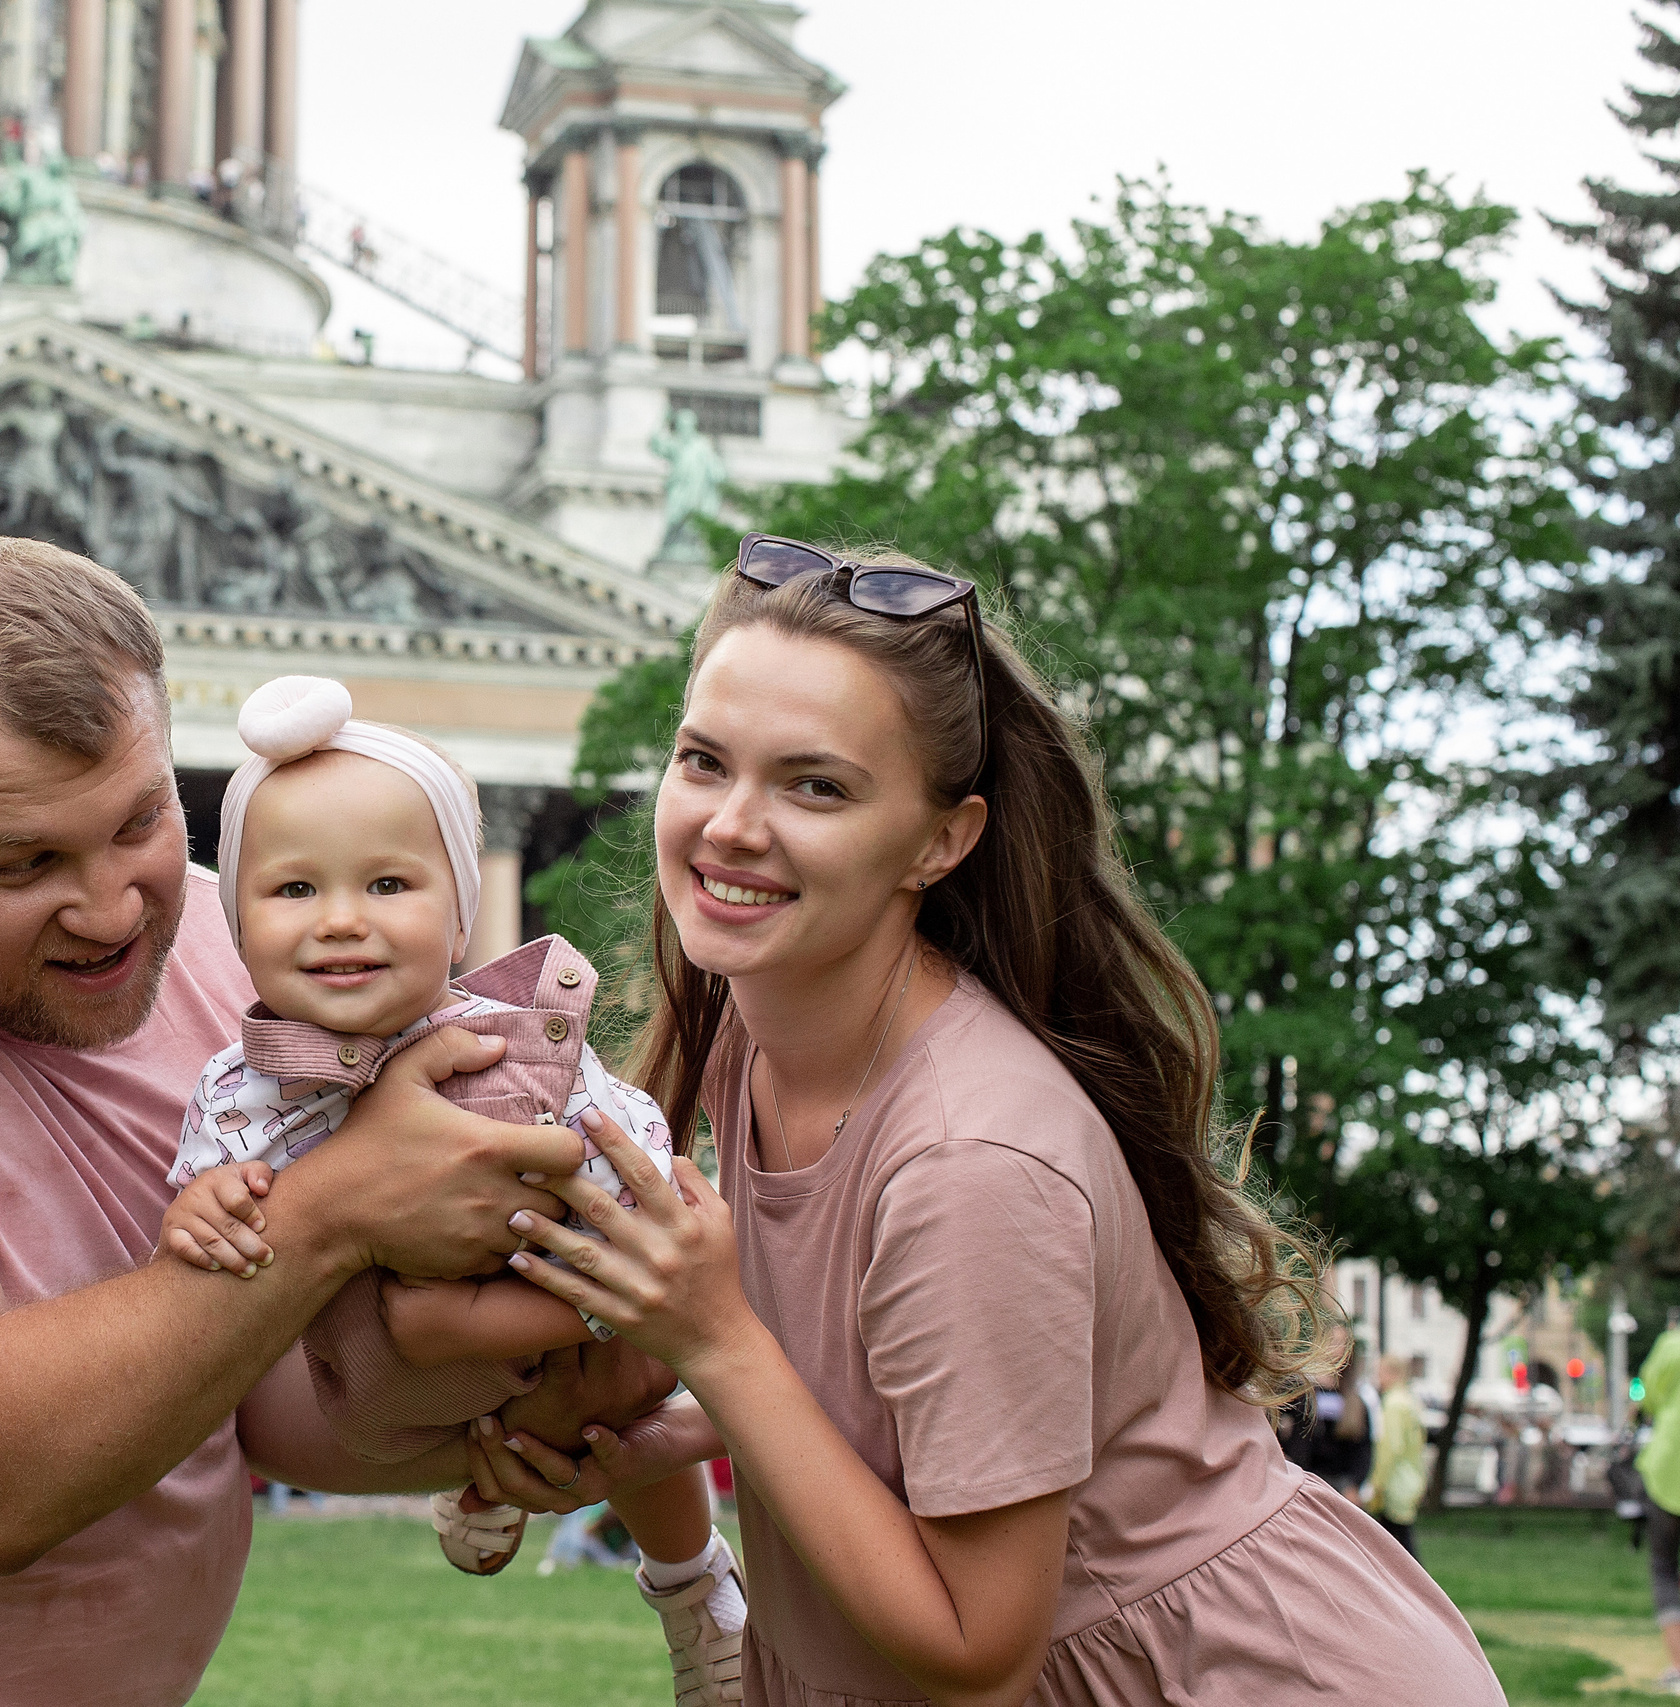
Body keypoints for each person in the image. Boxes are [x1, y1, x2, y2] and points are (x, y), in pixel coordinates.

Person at [0, 538, 672, 1707]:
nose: (115, 909)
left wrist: (504, 1422)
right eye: (26, 864)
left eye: (139, 823)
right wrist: (346, 1207)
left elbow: (256, 1399)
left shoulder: (233, 947)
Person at [458, 534, 1504, 1705]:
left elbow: (975, 1647)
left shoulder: (971, 1163)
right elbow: (893, 1399)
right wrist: (676, 1432)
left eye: (816, 785)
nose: (731, 825)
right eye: (705, 761)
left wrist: (717, 1342)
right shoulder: (764, 1027)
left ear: (942, 840)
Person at [159, 676, 741, 1697]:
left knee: (622, 1387)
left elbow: (616, 1144)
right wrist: (200, 1209)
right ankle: (488, 1470)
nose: (341, 921)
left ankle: (693, 1589)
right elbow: (208, 1190)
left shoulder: (505, 1048)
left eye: (388, 886)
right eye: (294, 890)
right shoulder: (236, 1084)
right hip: (383, 1380)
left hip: (560, 1312)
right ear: (236, 927)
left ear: (462, 911)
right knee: (428, 1323)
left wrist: (618, 1273)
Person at [1635, 1311, 1680, 1694]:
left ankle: (1678, 1667)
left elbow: (1647, 1397)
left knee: (1664, 1566)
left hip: (1669, 1469)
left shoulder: (1672, 1344)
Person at [1280, 1327, 1373, 1499]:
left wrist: (1354, 1484)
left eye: (1342, 1344)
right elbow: (1274, 1425)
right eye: (1332, 1341)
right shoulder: (1299, 1391)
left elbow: (1363, 1449)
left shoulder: (1355, 1400)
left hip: (1339, 1485)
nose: (1336, 1349)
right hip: (1302, 1481)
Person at [1365, 1355, 1429, 1558]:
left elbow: (1390, 1448)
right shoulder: (1410, 1401)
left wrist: (1377, 1482)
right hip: (1410, 1478)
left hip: (1394, 1481)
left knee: (1398, 1546)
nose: (1378, 1378)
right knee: (1396, 1544)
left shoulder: (1392, 1404)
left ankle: (1417, 1589)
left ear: (1393, 1374)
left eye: (1380, 1372)